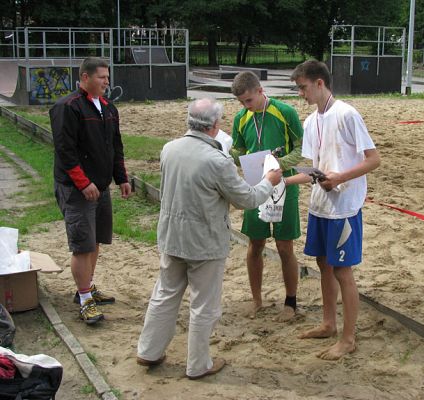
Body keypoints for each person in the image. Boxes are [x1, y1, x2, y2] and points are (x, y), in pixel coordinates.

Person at [136, 98, 282, 379]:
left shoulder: (170, 149)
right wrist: (269, 181)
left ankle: (149, 350)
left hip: (172, 235)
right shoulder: (217, 160)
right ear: (215, 125)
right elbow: (246, 199)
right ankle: (198, 365)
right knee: (204, 304)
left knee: (164, 294)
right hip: (203, 241)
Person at [287, 60, 380, 360]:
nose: (301, 94)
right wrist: (280, 181)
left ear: (319, 83)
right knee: (323, 264)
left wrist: (339, 177)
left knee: (342, 269)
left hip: (344, 206)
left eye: (303, 87)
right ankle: (329, 323)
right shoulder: (311, 121)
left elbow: (373, 159)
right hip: (321, 204)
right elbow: (311, 169)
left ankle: (348, 338)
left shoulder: (347, 114)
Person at [50, 57, 131, 325]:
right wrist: (83, 183)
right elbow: (65, 151)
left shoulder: (108, 108)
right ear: (85, 77)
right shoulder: (68, 107)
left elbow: (115, 146)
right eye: (101, 77)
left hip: (101, 185)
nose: (107, 82)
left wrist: (121, 178)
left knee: (95, 241)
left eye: (107, 78)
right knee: (82, 245)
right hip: (77, 189)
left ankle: (86, 287)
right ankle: (85, 299)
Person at [230, 71, 304, 321]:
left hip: (285, 184)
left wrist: (277, 164)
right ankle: (257, 301)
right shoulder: (241, 118)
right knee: (255, 244)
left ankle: (290, 302)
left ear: (260, 91)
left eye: (249, 101)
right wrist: (232, 154)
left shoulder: (285, 112)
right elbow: (238, 148)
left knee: (284, 246)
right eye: (241, 102)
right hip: (255, 185)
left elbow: (301, 148)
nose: (245, 106)